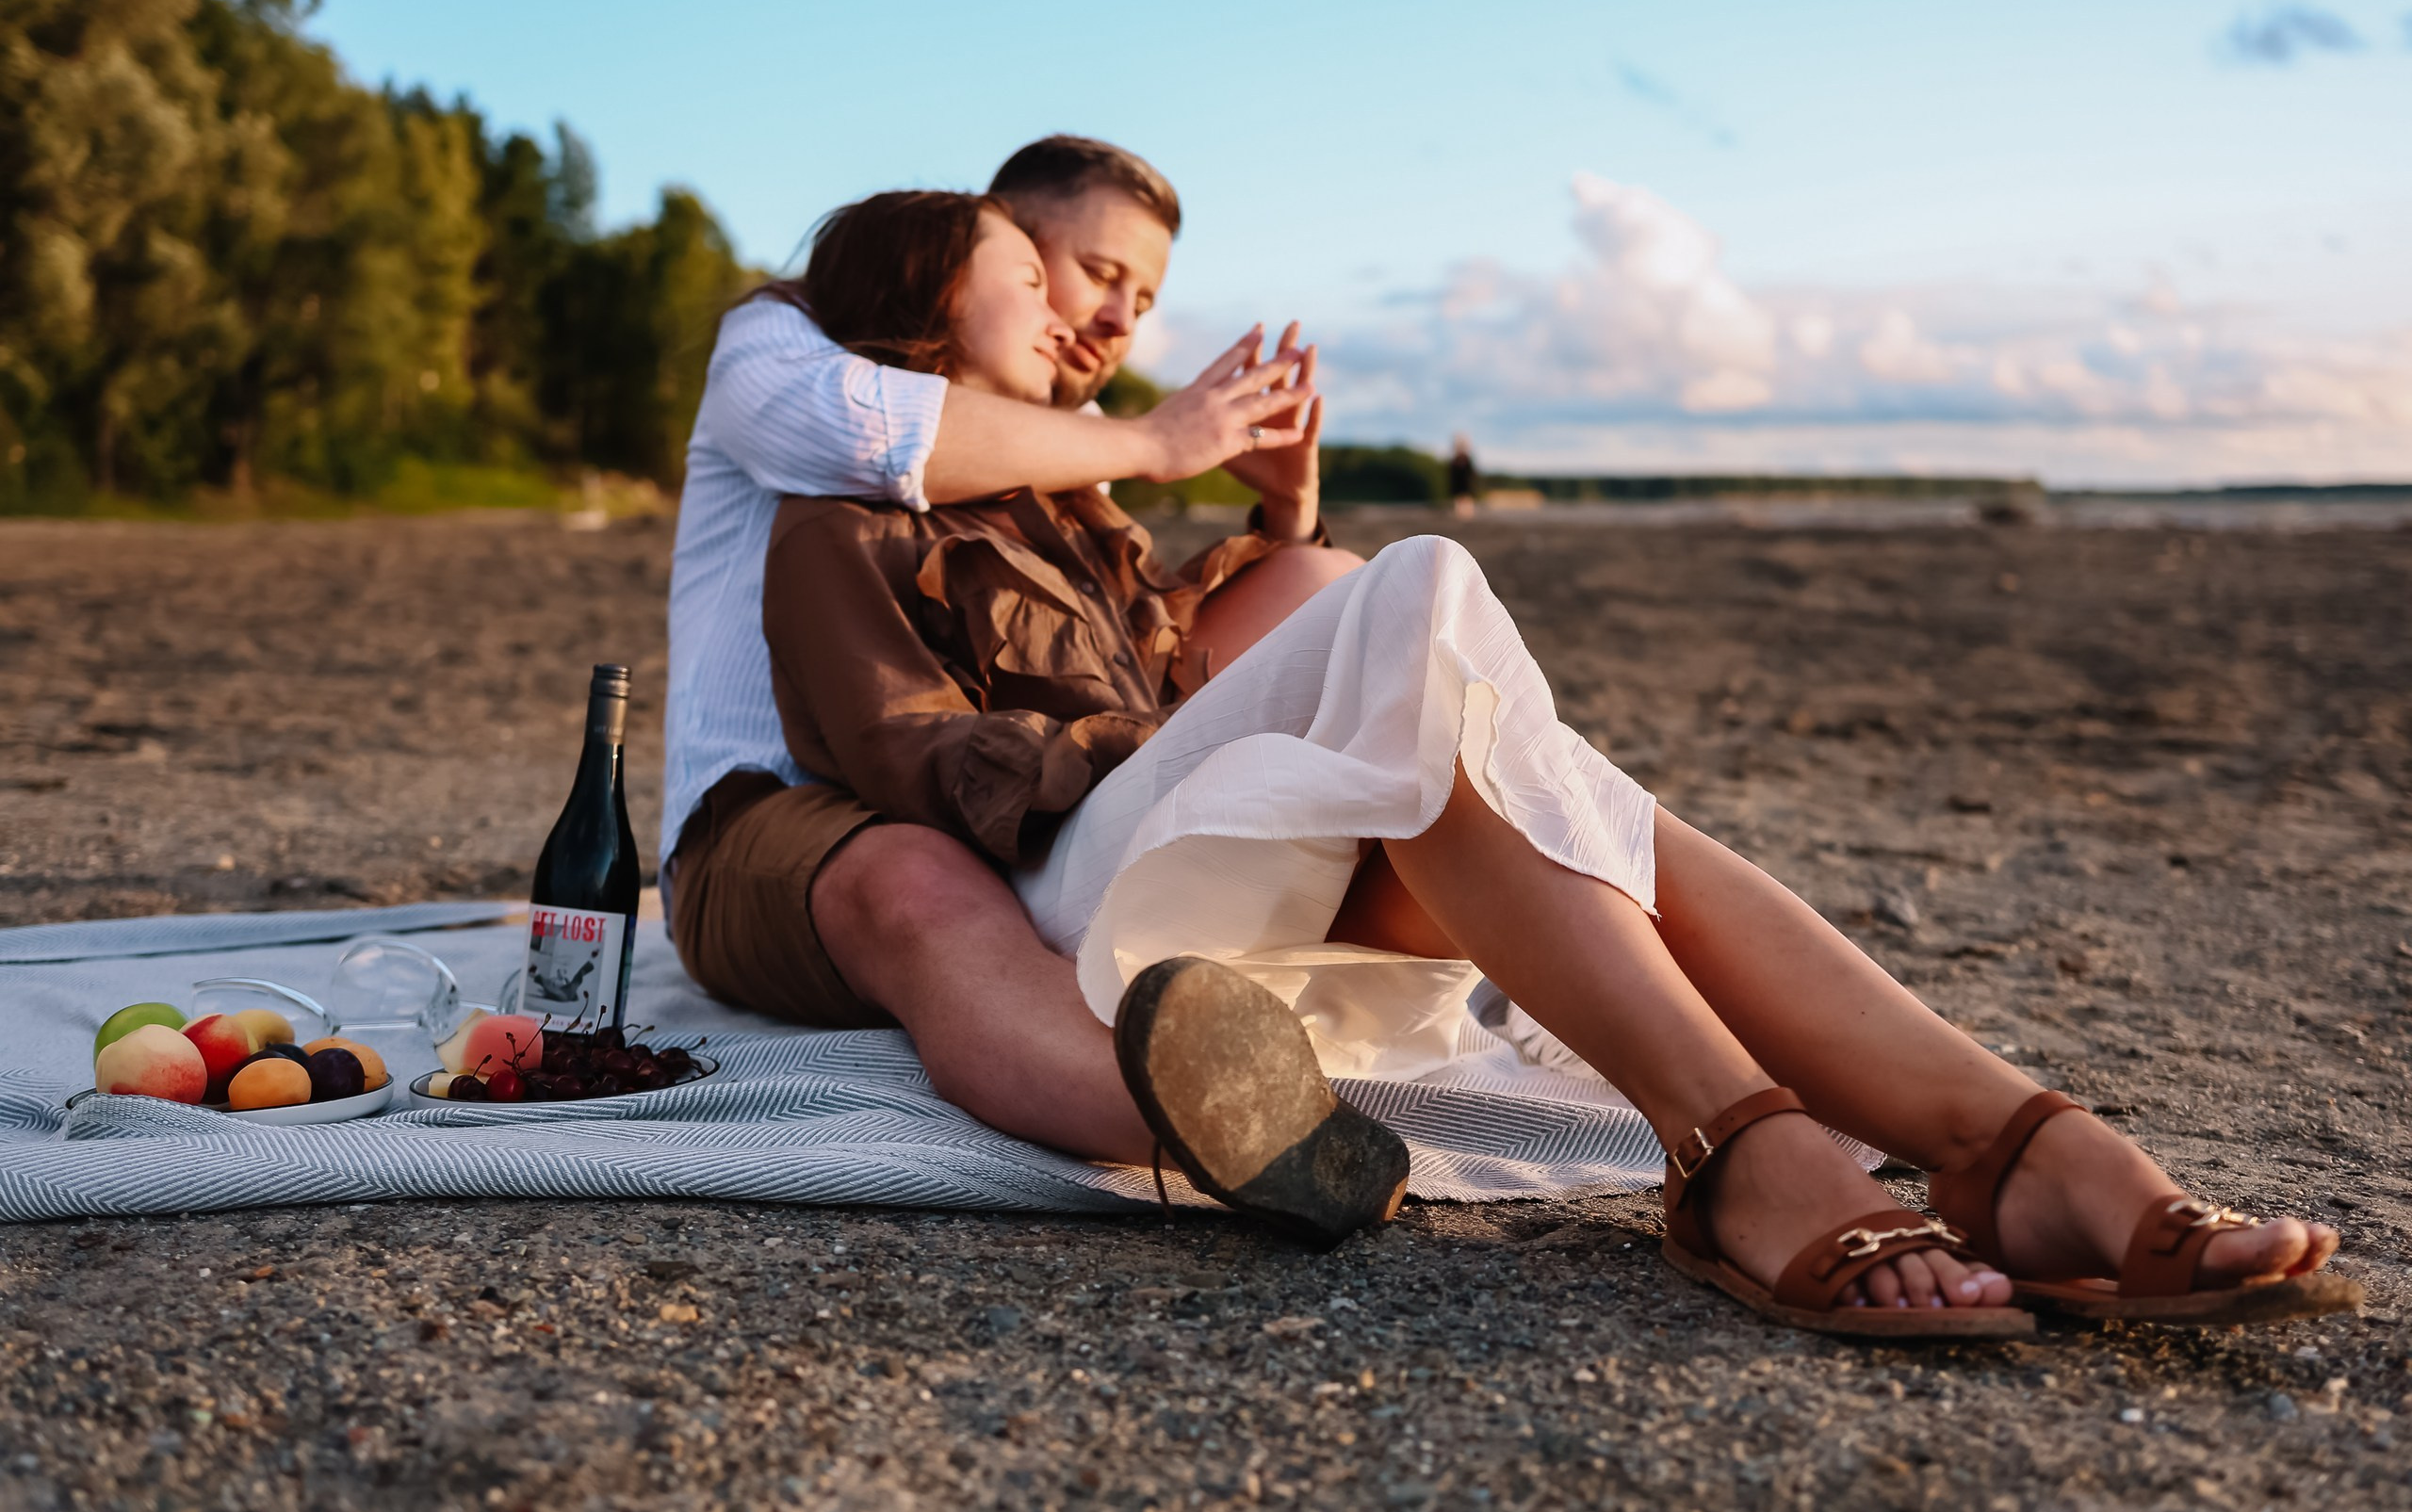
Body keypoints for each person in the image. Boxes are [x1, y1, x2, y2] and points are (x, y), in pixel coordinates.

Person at [757, 187, 2358, 1341]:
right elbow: (902, 749)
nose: (1063, 313)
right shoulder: (839, 523)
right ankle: (1769, 1152)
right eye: (1025, 283)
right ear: (920, 311)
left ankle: (1996, 1141)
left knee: (1469, 754)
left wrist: (1275, 523)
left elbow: (1175, 638)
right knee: (1426, 589)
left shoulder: (1081, 515)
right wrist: (1163, 733)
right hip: (1070, 883)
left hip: (1175, 838)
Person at [661, 137, 1351, 1088]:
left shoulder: (1070, 436)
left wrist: (1287, 511)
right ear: (988, 248)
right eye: (1096, 274)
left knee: (1333, 592)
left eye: (1142, 301)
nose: (1117, 321)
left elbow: (1134, 633)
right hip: (774, 818)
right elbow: (865, 432)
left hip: (1015, 800)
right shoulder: (783, 334)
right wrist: (1156, 440)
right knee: (912, 876)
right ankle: (1163, 1108)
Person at [1446, 433, 1479, 517]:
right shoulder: (1455, 460)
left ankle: (1467, 513)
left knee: (1466, 497)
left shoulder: (1466, 460)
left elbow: (1471, 473)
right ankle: (1460, 513)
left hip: (1465, 484)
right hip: (1459, 484)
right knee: (1460, 497)